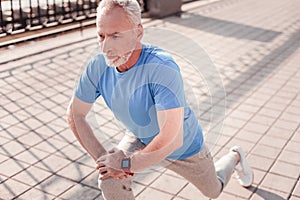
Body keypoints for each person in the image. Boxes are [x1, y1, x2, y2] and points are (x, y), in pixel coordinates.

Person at [66, 0, 254, 199]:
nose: (105, 47)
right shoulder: (97, 66)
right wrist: (106, 162)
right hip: (140, 136)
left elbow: (170, 139)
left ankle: (235, 157)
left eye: (115, 36)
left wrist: (124, 164)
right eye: (101, 36)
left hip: (183, 146)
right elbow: (75, 114)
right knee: (110, 182)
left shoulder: (162, 67)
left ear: (138, 32)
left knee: (213, 191)